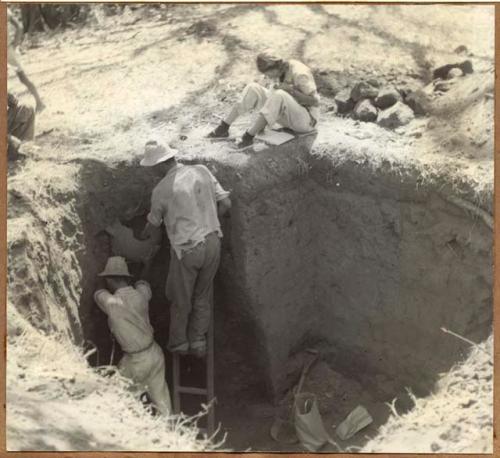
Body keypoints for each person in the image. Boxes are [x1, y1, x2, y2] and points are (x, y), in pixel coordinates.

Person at [139, 140, 231, 357]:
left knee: (181, 299)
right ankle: (198, 341)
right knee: (202, 294)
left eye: (153, 167)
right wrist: (207, 222)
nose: (152, 172)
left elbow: (153, 226)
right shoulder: (202, 171)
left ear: (160, 165)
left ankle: (179, 344)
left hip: (188, 250)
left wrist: (142, 238)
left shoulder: (161, 190)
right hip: (213, 242)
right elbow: (226, 204)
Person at [94, 256, 172, 415]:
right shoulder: (141, 295)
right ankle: (170, 433)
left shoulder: (112, 304)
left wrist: (104, 286)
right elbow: (144, 284)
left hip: (136, 362)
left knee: (121, 396)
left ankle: (130, 429)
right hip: (154, 353)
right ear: (126, 277)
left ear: (109, 280)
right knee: (161, 399)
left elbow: (98, 294)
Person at [208, 51, 320, 149]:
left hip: (307, 121)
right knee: (253, 87)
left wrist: (290, 90)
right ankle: (223, 128)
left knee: (279, 94)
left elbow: (315, 102)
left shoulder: (300, 73)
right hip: (289, 116)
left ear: (276, 66)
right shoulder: (280, 71)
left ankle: (248, 138)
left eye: (267, 73)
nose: (267, 76)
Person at [8, 8, 46, 113]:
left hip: (7, 50)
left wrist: (15, 43)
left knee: (22, 77)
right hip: (8, 49)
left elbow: (19, 27)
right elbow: (19, 27)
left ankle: (39, 102)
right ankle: (13, 105)